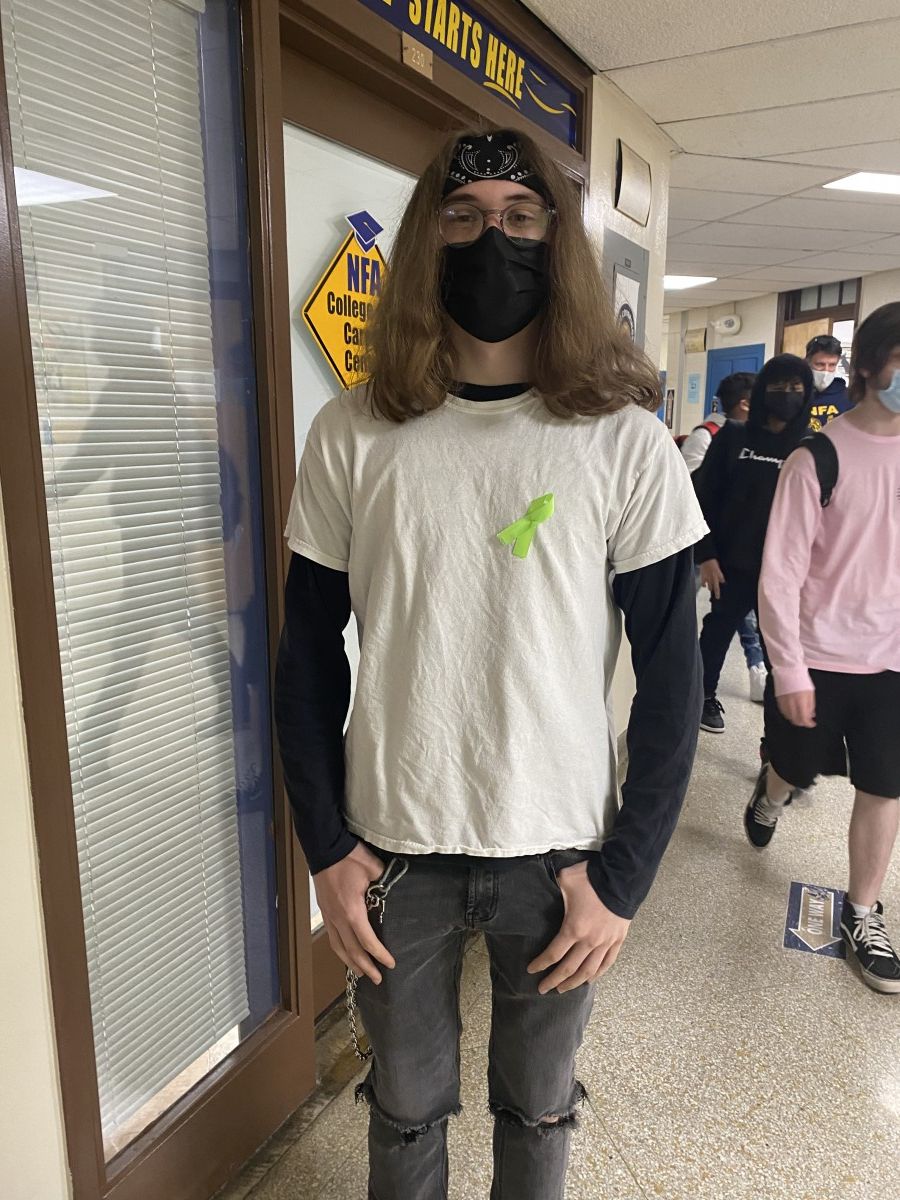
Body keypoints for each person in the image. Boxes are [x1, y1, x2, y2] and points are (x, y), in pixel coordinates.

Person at [274, 127, 707, 1199]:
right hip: (394, 856)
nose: (491, 237)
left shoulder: (621, 440)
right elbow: (304, 663)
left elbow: (673, 679)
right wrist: (325, 849)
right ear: (429, 238)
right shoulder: (352, 434)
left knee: (539, 1109)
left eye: (520, 217)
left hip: (558, 856)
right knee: (406, 1115)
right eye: (463, 216)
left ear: (555, 243)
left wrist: (624, 882)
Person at [746, 303, 900, 995]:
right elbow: (779, 571)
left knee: (885, 785)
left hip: (891, 660)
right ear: (869, 366)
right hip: (820, 654)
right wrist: (787, 669)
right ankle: (772, 789)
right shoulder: (818, 459)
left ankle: (862, 913)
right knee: (798, 764)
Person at [693, 355, 815, 733]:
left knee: (782, 652)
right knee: (716, 632)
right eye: (779, 387)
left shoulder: (811, 447)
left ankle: (775, 738)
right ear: (762, 390)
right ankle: (701, 698)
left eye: (797, 389)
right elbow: (702, 498)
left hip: (786, 574)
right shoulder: (733, 436)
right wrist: (707, 555)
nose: (787, 396)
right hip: (731, 564)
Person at [680, 372, 767, 702]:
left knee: (745, 620)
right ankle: (698, 691)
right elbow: (691, 492)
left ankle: (756, 670)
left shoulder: (763, 440)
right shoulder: (707, 436)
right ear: (745, 403)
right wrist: (706, 553)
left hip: (740, 551)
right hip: (702, 546)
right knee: (698, 620)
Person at [806, 333, 853, 431]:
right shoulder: (798, 395)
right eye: (820, 364)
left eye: (832, 365)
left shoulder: (848, 398)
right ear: (808, 361)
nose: (826, 371)